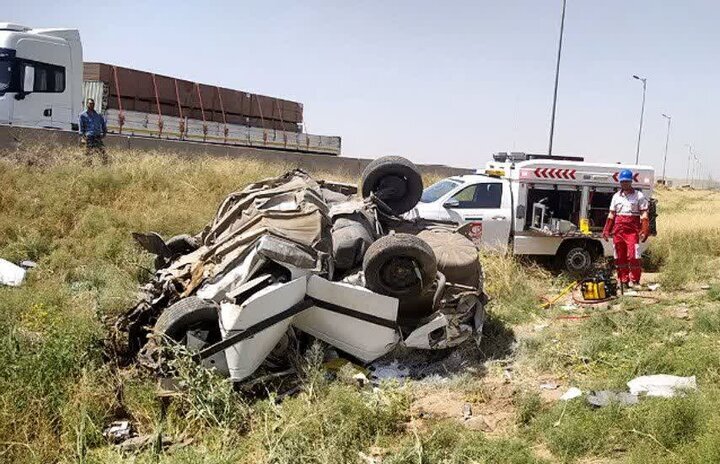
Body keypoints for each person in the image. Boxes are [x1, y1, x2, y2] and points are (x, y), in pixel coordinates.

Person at [602, 169, 650, 289]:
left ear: (631, 181)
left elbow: (644, 214)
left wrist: (645, 230)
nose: (624, 184)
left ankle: (635, 281)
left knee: (634, 256)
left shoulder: (639, 196)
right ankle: (623, 280)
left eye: (627, 181)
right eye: (622, 182)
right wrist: (607, 229)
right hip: (618, 231)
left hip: (632, 232)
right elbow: (611, 215)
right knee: (619, 257)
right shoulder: (616, 197)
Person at [78, 98, 108, 164]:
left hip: (97, 136)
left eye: (93, 104)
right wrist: (82, 137)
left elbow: (103, 124)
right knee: (88, 154)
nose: (92, 105)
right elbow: (81, 128)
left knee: (103, 153)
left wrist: (104, 133)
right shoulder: (82, 115)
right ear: (87, 104)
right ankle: (88, 167)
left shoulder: (98, 115)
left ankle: (105, 166)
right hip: (89, 137)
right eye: (90, 103)